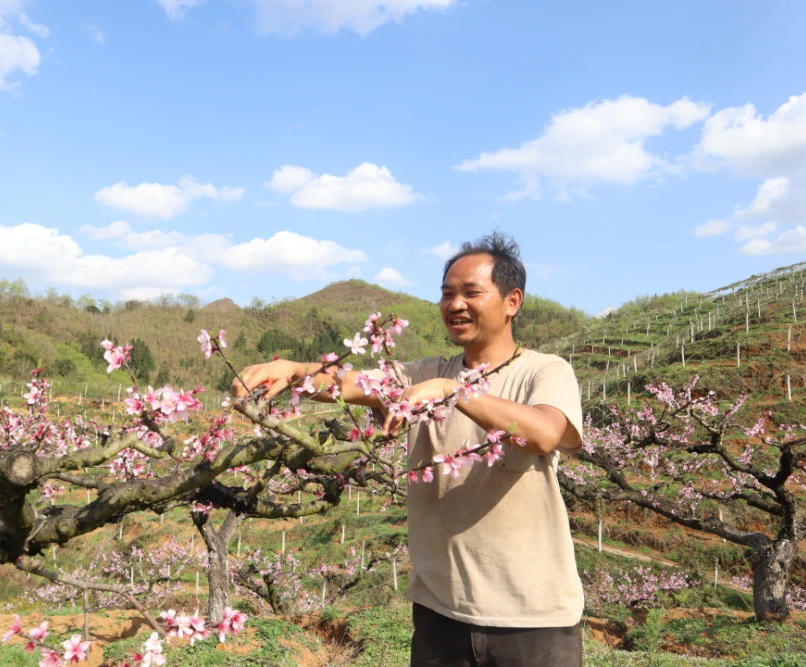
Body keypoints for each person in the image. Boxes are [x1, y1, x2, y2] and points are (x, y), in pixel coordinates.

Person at [233, 232, 585, 667]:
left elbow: (545, 433)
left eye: (471, 292)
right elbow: (351, 383)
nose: (455, 304)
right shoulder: (424, 374)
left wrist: (451, 391)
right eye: (446, 294)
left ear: (512, 302)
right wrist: (294, 370)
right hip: (439, 612)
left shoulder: (544, 371)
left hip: (532, 618)